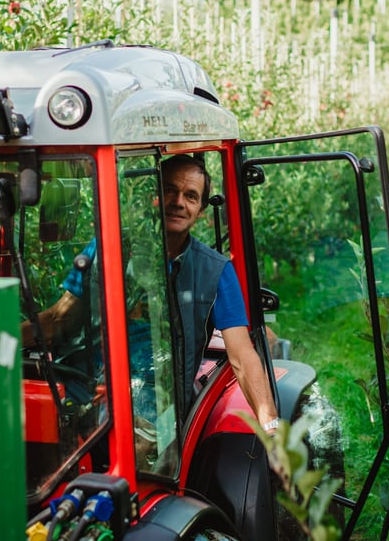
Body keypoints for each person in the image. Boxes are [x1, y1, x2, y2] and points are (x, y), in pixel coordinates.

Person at [23, 154, 279, 434]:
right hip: (86, 383)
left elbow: (242, 355)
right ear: (152, 195)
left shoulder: (214, 270)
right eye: (169, 190)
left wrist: (271, 426)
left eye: (190, 196)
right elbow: (58, 320)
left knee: (140, 440)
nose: (178, 202)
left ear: (201, 209)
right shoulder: (106, 250)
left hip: (153, 399)